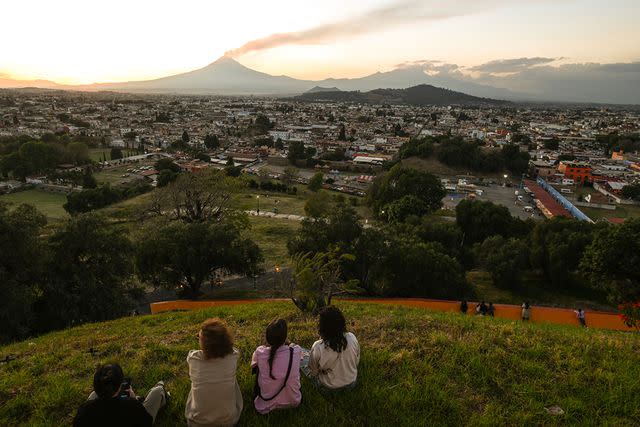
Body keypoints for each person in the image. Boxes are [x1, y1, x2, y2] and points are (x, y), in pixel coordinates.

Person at [185, 318, 243, 427]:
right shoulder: (233, 357)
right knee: (231, 379)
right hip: (228, 421)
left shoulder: (193, 358)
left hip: (196, 423)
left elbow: (193, 354)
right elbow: (234, 350)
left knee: (195, 384)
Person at [74, 363, 168, 427]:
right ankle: (161, 387)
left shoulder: (84, 409)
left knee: (93, 394)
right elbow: (147, 422)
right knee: (158, 390)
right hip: (134, 412)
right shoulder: (131, 405)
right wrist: (134, 400)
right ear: (120, 386)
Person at [301, 306, 360, 390]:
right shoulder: (352, 337)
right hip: (351, 383)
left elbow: (313, 372)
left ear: (322, 327)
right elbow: (356, 361)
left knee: (302, 358)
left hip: (327, 387)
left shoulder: (318, 346)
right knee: (309, 354)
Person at [251, 319, 302, 414]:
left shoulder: (260, 352)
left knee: (258, 368)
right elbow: (299, 359)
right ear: (285, 337)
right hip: (293, 401)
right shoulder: (295, 351)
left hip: (264, 406)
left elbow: (253, 367)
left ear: (267, 338)